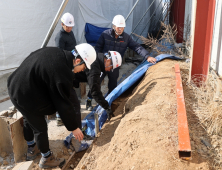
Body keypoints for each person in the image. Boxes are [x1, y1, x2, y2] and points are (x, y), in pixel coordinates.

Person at [7, 43, 96, 169]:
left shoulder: (59, 54)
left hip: (16, 85)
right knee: (40, 127)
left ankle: (32, 148)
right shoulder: (61, 71)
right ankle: (46, 158)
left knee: (28, 118)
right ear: (77, 60)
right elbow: (62, 102)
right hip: (23, 93)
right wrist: (74, 127)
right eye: (83, 67)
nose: (83, 70)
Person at [85, 15, 157, 110]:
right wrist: (97, 62)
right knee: (96, 81)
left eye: (122, 27)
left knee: (113, 85)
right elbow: (98, 48)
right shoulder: (105, 35)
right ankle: (89, 99)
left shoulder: (126, 38)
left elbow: (137, 47)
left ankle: (110, 102)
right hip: (103, 64)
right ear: (113, 26)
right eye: (118, 27)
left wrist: (147, 56)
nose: (120, 29)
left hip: (114, 65)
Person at [76, 51, 122, 120]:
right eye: (111, 67)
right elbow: (95, 92)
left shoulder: (95, 57)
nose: (109, 70)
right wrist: (107, 107)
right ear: (108, 60)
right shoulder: (95, 67)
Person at [55, 12, 80, 126]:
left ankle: (68, 112)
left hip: (71, 63)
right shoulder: (60, 37)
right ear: (62, 24)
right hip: (64, 66)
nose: (70, 28)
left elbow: (73, 47)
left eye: (71, 26)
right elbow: (60, 54)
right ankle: (59, 117)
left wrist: (76, 55)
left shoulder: (71, 33)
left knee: (70, 89)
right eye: (67, 26)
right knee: (62, 91)